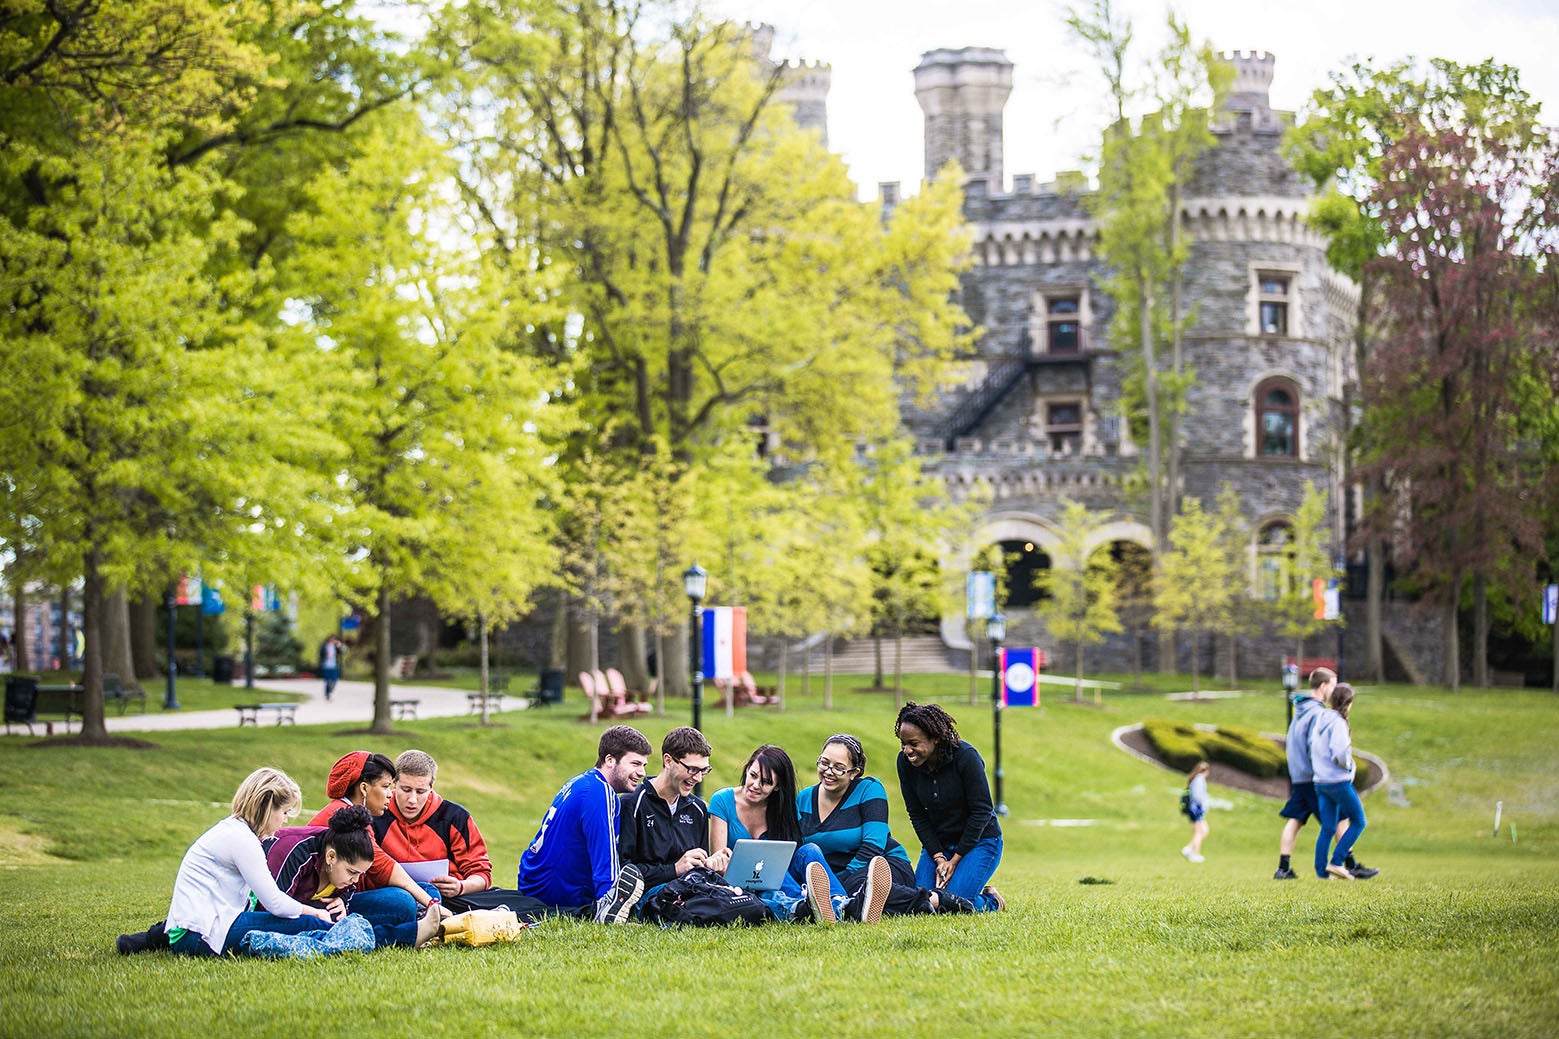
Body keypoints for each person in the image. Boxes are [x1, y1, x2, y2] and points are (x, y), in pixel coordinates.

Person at [133, 767, 335, 956]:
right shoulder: (242, 840)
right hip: (198, 934)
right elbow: (275, 903)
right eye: (284, 812)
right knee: (308, 923)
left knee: (301, 922)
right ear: (266, 806)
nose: (285, 820)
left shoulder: (235, 831)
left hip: (196, 928)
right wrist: (315, 913)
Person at [798, 733, 973, 917]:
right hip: (833, 877)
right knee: (851, 898)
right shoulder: (803, 798)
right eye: (824, 763)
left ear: (854, 773)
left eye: (839, 768)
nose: (828, 771)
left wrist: (839, 882)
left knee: (858, 887)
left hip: (882, 866)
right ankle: (861, 904)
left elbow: (873, 846)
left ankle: (934, 900)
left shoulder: (869, 789)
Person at [708, 744, 860, 923]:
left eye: (765, 782)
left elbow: (785, 857)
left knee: (809, 850)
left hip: (778, 878)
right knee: (768, 880)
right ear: (747, 769)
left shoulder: (781, 809)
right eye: (753, 775)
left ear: (777, 787)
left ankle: (840, 903)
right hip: (742, 884)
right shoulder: (722, 801)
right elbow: (718, 861)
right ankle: (811, 907)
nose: (755, 785)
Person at [516, 724, 652, 922]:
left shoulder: (579, 782)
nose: (641, 773)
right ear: (610, 760)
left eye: (643, 766)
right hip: (557, 896)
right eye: (635, 764)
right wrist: (609, 900)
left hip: (533, 886)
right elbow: (604, 857)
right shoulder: (600, 793)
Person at [266, 803, 440, 948]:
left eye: (360, 874)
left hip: (322, 911)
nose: (355, 880)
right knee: (325, 927)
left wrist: (343, 899)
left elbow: (350, 889)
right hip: (275, 914)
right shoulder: (295, 852)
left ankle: (424, 923)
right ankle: (408, 934)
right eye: (352, 872)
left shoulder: (343, 858)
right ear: (331, 856)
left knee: (407, 899)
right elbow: (273, 909)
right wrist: (315, 914)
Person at [308, 751, 442, 925]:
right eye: (386, 787)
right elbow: (383, 867)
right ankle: (420, 923)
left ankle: (421, 920)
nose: (390, 794)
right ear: (364, 788)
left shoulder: (354, 812)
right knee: (403, 902)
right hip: (328, 902)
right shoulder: (345, 817)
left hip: (348, 893)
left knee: (427, 890)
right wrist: (432, 904)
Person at [895, 702, 1005, 910]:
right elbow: (917, 815)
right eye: (903, 743)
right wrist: (938, 857)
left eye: (914, 743)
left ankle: (992, 901)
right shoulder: (905, 764)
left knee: (954, 902)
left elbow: (981, 811)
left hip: (980, 842)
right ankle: (963, 887)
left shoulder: (966, 756)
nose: (907, 750)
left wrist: (954, 861)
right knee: (922, 902)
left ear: (935, 738)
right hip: (939, 845)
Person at [1273, 668, 1376, 880]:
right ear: (1323, 686)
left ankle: (1284, 867)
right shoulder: (1318, 713)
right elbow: (1319, 747)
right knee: (1340, 820)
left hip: (1299, 775)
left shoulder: (1300, 708)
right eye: (1332, 684)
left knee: (1297, 819)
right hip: (1315, 776)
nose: (1334, 689)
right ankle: (1347, 863)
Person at [618, 727, 731, 900]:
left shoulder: (698, 808)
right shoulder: (632, 803)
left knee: (735, 896)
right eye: (692, 769)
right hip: (649, 895)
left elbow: (698, 870)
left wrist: (713, 866)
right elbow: (623, 870)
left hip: (691, 890)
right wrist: (674, 869)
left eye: (704, 770)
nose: (698, 778)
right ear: (668, 761)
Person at [374, 749, 492, 909]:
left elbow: (481, 873)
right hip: (395, 898)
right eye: (406, 790)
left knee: (523, 903)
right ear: (394, 784)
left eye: (421, 791)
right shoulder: (376, 814)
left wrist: (460, 887)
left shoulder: (455, 817)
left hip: (450, 898)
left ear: (432, 787)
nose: (412, 800)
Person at [1312, 682, 1369, 880]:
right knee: (1359, 821)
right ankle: (1336, 862)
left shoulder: (1321, 718)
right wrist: (1350, 766)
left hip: (1320, 782)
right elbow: (1340, 753)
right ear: (1348, 703)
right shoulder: (1338, 723)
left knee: (1328, 827)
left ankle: (1321, 872)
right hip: (1338, 782)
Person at [1181, 761, 1210, 863]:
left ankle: (1189, 848)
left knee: (1204, 830)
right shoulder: (1199, 780)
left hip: (1194, 809)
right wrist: (1202, 806)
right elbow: (1198, 797)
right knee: (1199, 832)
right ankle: (1194, 854)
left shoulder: (1195, 779)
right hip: (1196, 809)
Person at [318, 635, 343, 702]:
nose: (333, 640)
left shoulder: (335, 647)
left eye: (334, 639)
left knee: (335, 680)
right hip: (326, 665)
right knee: (328, 681)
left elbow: (340, 653)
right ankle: (328, 694)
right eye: (332, 639)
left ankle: (330, 692)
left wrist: (339, 647)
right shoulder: (324, 646)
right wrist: (326, 655)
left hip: (333, 665)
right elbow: (321, 654)